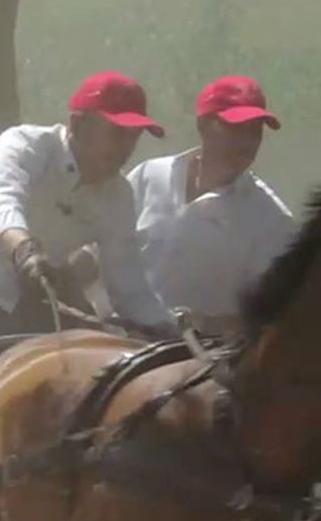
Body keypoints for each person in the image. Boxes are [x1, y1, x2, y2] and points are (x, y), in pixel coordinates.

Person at [0, 71, 174, 380]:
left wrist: (172, 331)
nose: (127, 147)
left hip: (8, 297)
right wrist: (25, 251)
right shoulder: (24, 145)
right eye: (118, 133)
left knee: (87, 364)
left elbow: (128, 284)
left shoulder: (117, 196)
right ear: (77, 124)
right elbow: (0, 204)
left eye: (134, 136)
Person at [123, 75, 298, 337]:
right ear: (203, 125)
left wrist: (205, 324)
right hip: (115, 343)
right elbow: (100, 250)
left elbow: (275, 317)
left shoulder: (272, 220)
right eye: (236, 128)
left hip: (192, 362)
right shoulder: (148, 176)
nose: (247, 142)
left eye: (255, 131)